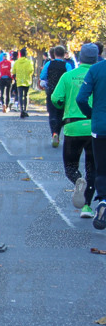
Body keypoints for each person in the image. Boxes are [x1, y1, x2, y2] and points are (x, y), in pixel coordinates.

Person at [52, 44, 98, 218]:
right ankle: (87, 207)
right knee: (92, 167)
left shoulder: (68, 76)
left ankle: (78, 180)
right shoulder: (100, 75)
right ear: (96, 58)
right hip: (95, 126)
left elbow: (56, 98)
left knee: (71, 167)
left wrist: (62, 105)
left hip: (73, 126)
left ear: (79, 58)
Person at [77, 45, 106, 229]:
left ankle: (103, 201)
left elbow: (81, 98)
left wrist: (91, 114)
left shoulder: (96, 69)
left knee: (101, 167)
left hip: (100, 127)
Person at [41, 45, 71, 148]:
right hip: (63, 94)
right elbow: (70, 77)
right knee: (61, 114)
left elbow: (43, 77)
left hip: (51, 92)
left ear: (54, 54)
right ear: (64, 54)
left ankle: (54, 133)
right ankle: (57, 132)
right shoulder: (67, 65)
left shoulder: (49, 64)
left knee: (52, 113)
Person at [12, 48, 34, 118]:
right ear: (26, 54)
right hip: (27, 81)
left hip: (19, 81)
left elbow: (13, 72)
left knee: (20, 96)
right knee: (26, 95)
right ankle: (25, 110)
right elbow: (31, 70)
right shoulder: (29, 62)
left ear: (20, 54)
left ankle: (21, 110)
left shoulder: (17, 62)